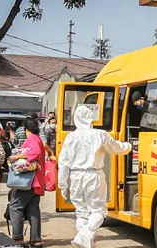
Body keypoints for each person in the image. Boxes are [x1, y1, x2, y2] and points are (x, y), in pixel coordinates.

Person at [58, 105, 132, 248]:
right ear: (91, 118)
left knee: (81, 212)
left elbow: (63, 162)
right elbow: (116, 148)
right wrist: (129, 146)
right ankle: (84, 235)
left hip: (75, 176)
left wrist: (63, 184)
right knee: (98, 210)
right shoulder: (100, 134)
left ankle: (86, 241)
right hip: (94, 175)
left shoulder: (70, 137)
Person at [9, 118, 45, 248]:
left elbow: (35, 152)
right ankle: (36, 240)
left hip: (28, 181)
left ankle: (18, 238)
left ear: (26, 129)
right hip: (36, 181)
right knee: (33, 209)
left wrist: (16, 157)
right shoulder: (37, 138)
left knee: (15, 206)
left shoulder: (32, 139)